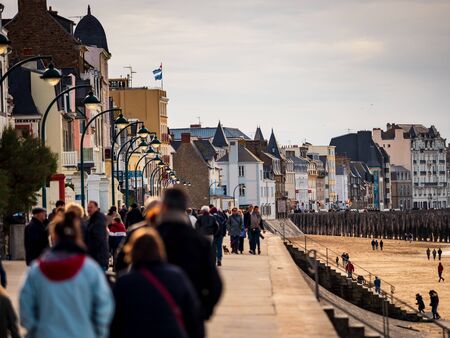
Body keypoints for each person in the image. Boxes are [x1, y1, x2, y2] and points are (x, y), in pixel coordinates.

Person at [19, 212, 114, 338]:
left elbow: (26, 312)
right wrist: (97, 333)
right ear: (78, 236)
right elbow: (104, 309)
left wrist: (35, 331)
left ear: (54, 237)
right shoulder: (91, 270)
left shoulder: (36, 272)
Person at [110, 227, 204, 338]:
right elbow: (192, 316)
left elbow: (115, 322)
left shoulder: (125, 281)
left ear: (132, 250)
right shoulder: (176, 276)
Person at [157, 188, 222, 321]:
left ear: (163, 206)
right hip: (190, 313)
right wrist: (203, 311)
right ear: (185, 208)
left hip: (154, 314)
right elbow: (215, 284)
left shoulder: (148, 237)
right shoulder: (199, 241)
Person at [86, 201, 109, 271]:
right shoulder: (93, 219)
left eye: (91, 207)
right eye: (88, 207)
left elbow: (98, 238)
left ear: (96, 208)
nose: (89, 209)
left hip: (98, 258)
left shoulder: (98, 220)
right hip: (98, 258)